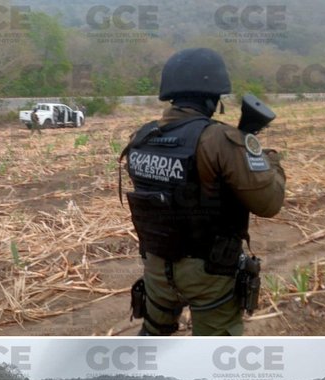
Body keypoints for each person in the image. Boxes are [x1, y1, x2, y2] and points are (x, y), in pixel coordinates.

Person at [122, 47, 286, 336]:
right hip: (208, 271)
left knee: (153, 335)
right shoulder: (219, 140)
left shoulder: (143, 136)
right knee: (215, 353)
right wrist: (267, 159)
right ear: (212, 97)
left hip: (157, 267)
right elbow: (269, 203)